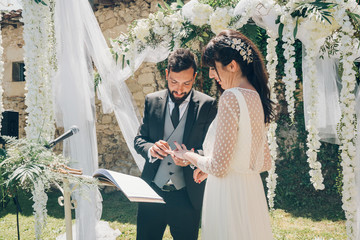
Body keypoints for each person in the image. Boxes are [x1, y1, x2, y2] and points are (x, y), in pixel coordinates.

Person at [167, 30, 274, 239]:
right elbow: (264, 162)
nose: (211, 75)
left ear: (232, 66)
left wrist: (187, 156)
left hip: (228, 197)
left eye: (213, 68)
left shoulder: (231, 98)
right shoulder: (256, 98)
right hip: (252, 195)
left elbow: (218, 166)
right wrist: (214, 169)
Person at [134, 48, 217, 240]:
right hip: (152, 192)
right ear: (166, 74)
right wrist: (151, 149)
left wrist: (191, 158)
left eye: (186, 83)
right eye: (174, 82)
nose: (179, 89)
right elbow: (140, 140)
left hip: (187, 196)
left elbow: (211, 148)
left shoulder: (207, 105)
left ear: (195, 77)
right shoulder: (152, 101)